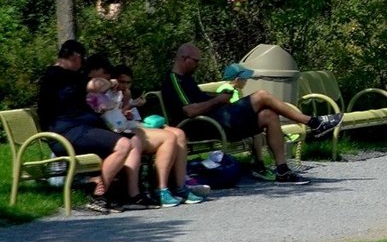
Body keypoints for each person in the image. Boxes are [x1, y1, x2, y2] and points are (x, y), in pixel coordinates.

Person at [164, 44, 333, 184]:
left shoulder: (188, 80)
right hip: (206, 126)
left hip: (219, 121)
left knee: (269, 115)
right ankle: (313, 123)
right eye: (196, 61)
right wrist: (218, 100)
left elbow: (201, 100)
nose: (198, 65)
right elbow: (189, 111)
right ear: (184, 58)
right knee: (261, 95)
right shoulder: (174, 81)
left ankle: (282, 170)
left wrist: (217, 99)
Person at [36, 40, 140, 210]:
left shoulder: (63, 75)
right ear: (76, 56)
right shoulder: (60, 76)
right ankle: (99, 196)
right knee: (123, 145)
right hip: (68, 134)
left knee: (130, 141)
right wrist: (112, 83)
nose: (83, 65)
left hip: (79, 130)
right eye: (82, 60)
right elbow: (96, 85)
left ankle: (126, 194)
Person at [95, 62, 197, 206]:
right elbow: (112, 116)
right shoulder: (104, 94)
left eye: (128, 82)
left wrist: (130, 104)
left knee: (179, 133)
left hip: (131, 125)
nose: (124, 85)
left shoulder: (125, 93)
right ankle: (162, 189)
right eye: (121, 81)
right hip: (121, 130)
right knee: (169, 137)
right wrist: (128, 106)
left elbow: (127, 115)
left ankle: (180, 186)